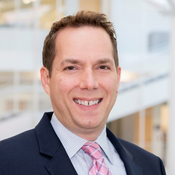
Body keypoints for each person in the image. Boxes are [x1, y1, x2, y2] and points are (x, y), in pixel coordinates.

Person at [0, 11, 166, 175]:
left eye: (102, 67)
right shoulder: (6, 162)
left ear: (117, 77)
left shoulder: (151, 166)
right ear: (46, 79)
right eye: (71, 68)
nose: (89, 83)